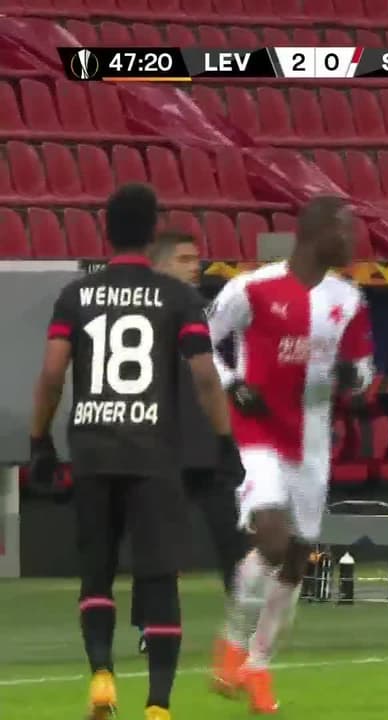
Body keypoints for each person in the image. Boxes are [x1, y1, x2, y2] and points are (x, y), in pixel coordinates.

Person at [26, 183, 240, 720]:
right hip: (154, 453)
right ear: (151, 235)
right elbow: (205, 376)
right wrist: (224, 440)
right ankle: (157, 707)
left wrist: (39, 440)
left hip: (93, 448)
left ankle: (102, 676)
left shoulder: (76, 295)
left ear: (106, 232)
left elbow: (52, 374)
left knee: (96, 573)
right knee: (158, 577)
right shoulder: (176, 297)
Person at [205, 196, 374, 714]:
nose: (353, 240)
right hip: (259, 435)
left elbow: (364, 369)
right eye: (345, 229)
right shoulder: (251, 288)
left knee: (298, 559)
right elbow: (202, 340)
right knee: (273, 541)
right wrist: (231, 382)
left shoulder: (349, 299)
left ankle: (258, 666)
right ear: (317, 232)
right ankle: (231, 643)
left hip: (313, 442)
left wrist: (353, 376)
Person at [131, 232, 247, 654]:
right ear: (159, 265)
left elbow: (210, 373)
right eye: (184, 259)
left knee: (232, 535)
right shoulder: (141, 313)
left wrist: (224, 435)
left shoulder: (196, 309)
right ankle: (151, 625)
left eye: (196, 258)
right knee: (158, 541)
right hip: (159, 441)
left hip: (200, 437)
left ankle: (244, 624)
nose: (194, 266)